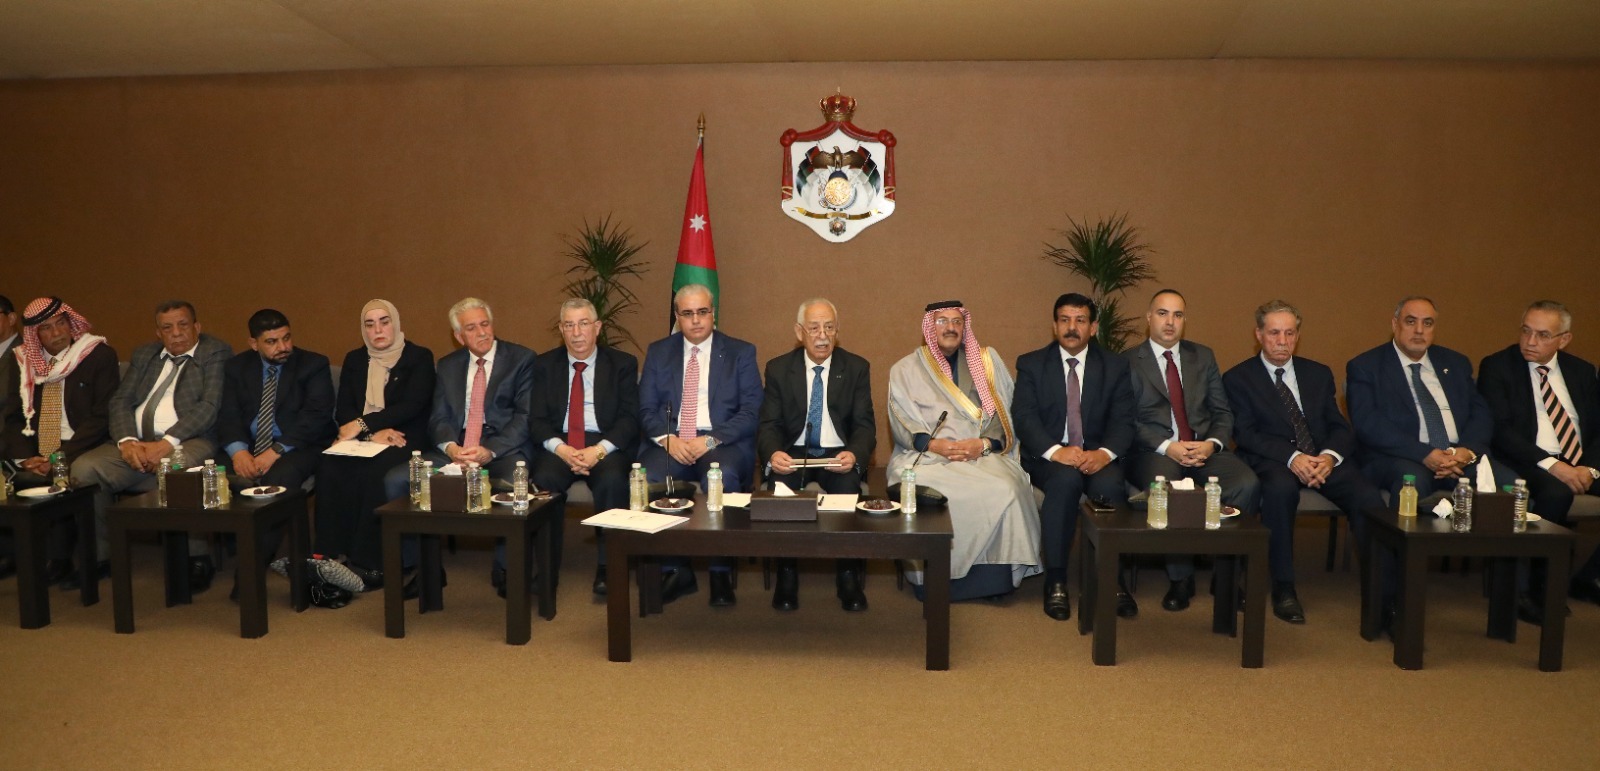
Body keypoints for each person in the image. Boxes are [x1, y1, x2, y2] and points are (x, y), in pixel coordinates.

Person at [1222, 300, 1384, 624]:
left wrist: (1328, 457)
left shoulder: (1317, 374)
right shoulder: (1239, 378)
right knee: (1279, 492)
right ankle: (1284, 588)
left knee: (1368, 498)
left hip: (1322, 459)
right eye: (1274, 333)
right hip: (1274, 460)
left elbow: (1339, 426)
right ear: (1258, 334)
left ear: (1298, 336)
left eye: (1289, 333)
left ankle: (1384, 591)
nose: (1282, 341)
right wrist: (1292, 457)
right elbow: (1246, 434)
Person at [887, 300, 1040, 601]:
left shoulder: (985, 363)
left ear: (964, 326)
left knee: (1007, 487)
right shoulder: (904, 369)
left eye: (957, 322)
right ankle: (930, 579)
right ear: (929, 327)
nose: (950, 328)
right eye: (942, 321)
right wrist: (935, 445)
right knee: (919, 487)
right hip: (928, 455)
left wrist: (982, 444)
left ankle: (994, 579)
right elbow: (900, 420)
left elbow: (1005, 417)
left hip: (978, 454)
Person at [75, 300, 232, 592]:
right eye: (167, 328)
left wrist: (166, 443)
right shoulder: (145, 354)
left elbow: (209, 406)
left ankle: (197, 558)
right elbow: (120, 401)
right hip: (136, 443)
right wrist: (127, 442)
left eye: (183, 325)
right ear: (158, 333)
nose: (176, 333)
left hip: (189, 439)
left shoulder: (214, 352)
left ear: (197, 327)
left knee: (181, 469)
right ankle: (102, 557)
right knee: (84, 469)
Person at [383, 297, 535, 596]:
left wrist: (489, 450)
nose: (481, 332)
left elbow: (525, 417)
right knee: (397, 480)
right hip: (457, 446)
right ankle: (422, 568)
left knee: (513, 483)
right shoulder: (448, 365)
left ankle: (506, 569)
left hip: (500, 447)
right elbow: (438, 417)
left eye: (485, 324)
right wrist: (451, 447)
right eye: (471, 328)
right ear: (458, 335)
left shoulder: (522, 359)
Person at [1122, 289, 1259, 612]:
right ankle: (1180, 579)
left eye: (1178, 315)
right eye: (1163, 313)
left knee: (1246, 483)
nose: (1170, 322)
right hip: (1153, 452)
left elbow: (1222, 412)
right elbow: (1125, 419)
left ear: (1185, 320)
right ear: (1148, 318)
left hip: (1203, 449)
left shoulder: (1203, 357)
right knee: (1171, 489)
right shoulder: (1127, 361)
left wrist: (1211, 444)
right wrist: (1167, 447)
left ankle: (1225, 575)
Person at [1012, 293, 1136, 621]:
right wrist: (1057, 452)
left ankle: (1113, 579)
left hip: (1098, 455)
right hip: (1049, 457)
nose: (1072, 327)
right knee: (1065, 483)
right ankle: (1056, 580)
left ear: (1093, 328)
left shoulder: (1114, 366)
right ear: (1054, 326)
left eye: (1080, 320)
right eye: (1065, 320)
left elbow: (1124, 420)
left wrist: (1104, 454)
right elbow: (1024, 418)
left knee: (1110, 487)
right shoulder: (1031, 364)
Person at [637, 283, 763, 606]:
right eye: (688, 313)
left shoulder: (740, 352)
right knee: (650, 479)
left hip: (721, 440)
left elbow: (751, 411)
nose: (696, 320)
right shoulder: (659, 351)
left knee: (721, 478)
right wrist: (668, 439)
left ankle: (720, 570)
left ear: (713, 313)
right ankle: (675, 569)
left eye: (702, 312)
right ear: (677, 317)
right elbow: (645, 409)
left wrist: (710, 439)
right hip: (673, 439)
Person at [1478, 300, 1600, 623]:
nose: (1530, 342)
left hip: (1580, 462)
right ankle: (1538, 589)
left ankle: (1589, 577)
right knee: (1556, 493)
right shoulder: (1498, 366)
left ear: (1564, 339)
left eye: (1543, 335)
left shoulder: (1582, 371)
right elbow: (1500, 431)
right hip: (1528, 461)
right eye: (1526, 331)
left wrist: (1589, 469)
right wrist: (1553, 466)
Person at [756, 298, 876, 612]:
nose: (822, 336)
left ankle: (847, 574)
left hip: (838, 454)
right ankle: (786, 572)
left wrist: (854, 455)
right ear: (800, 332)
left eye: (829, 327)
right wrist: (773, 453)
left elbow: (864, 426)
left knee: (848, 489)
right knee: (780, 490)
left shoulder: (856, 368)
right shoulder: (779, 369)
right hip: (793, 453)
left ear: (837, 331)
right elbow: (769, 424)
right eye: (814, 328)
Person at [314, 300, 435, 599]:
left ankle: (370, 563)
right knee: (329, 466)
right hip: (366, 437)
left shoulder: (418, 357)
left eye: (384, 321)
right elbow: (344, 409)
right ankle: (328, 556)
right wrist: (369, 432)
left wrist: (363, 425)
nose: (378, 329)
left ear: (396, 323)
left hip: (404, 437)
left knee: (375, 472)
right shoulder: (355, 359)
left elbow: (412, 405)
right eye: (370, 324)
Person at [215, 309, 336, 602]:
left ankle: (248, 573)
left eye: (286, 338)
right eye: (272, 342)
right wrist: (238, 452)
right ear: (253, 343)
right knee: (208, 475)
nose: (283, 347)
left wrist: (275, 451)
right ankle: (211, 559)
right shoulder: (236, 367)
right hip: (249, 446)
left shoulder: (313, 364)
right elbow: (228, 414)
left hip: (300, 446)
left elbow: (316, 417)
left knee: (276, 484)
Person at [1, 297, 119, 586]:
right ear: (35, 335)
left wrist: (59, 455)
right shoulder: (23, 360)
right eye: (46, 328)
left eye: (61, 323)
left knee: (73, 471)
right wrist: (25, 458)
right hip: (37, 444)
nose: (56, 333)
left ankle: (94, 560)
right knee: (12, 471)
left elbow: (102, 417)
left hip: (84, 441)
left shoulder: (97, 355)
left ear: (71, 322)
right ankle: (45, 557)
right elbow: (15, 415)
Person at [1346, 296, 1510, 501]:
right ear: (1395, 324)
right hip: (1402, 457)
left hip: (1458, 458)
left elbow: (1480, 414)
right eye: (1411, 321)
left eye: (1427, 323)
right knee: (1412, 483)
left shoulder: (1456, 363)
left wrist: (1466, 451)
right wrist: (1425, 453)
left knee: (1512, 489)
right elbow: (1368, 423)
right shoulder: (1367, 366)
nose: (1419, 330)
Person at [528, 298, 639, 597]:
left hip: (604, 442)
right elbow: (536, 420)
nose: (576, 333)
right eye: (569, 325)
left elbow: (630, 419)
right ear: (561, 329)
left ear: (597, 327)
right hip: (560, 443)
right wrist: (562, 449)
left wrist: (598, 450)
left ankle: (608, 566)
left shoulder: (622, 364)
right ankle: (546, 568)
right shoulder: (544, 365)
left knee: (613, 480)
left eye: (584, 324)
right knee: (545, 479)